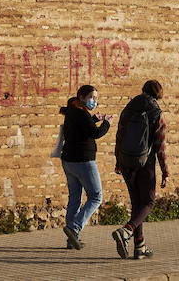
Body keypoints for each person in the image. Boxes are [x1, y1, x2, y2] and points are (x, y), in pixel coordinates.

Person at [110, 79, 168, 260]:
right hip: (145, 163)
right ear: (158, 93)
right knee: (149, 201)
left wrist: (118, 160)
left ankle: (139, 247)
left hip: (126, 160)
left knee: (137, 203)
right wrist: (165, 170)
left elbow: (119, 136)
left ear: (143, 90)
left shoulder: (128, 109)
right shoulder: (156, 113)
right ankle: (127, 230)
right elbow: (160, 146)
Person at [58, 84, 111, 250]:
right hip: (83, 161)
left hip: (68, 161)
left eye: (96, 98)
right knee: (96, 196)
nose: (94, 101)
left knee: (75, 198)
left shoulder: (72, 111)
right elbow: (94, 133)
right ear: (81, 97)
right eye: (91, 97)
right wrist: (107, 123)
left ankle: (71, 239)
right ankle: (74, 229)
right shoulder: (80, 113)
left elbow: (81, 129)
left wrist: (94, 119)